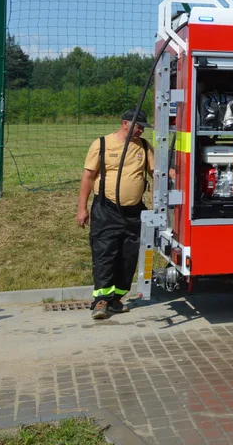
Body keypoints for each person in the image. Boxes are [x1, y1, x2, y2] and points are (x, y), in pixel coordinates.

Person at [77, 110, 158, 320]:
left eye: (142, 127)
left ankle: (116, 299)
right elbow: (88, 177)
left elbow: (157, 172)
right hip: (106, 210)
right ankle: (101, 301)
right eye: (138, 126)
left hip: (134, 212)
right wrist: (82, 208)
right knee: (105, 254)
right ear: (125, 124)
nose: (141, 130)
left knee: (128, 255)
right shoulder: (102, 144)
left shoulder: (144, 147)